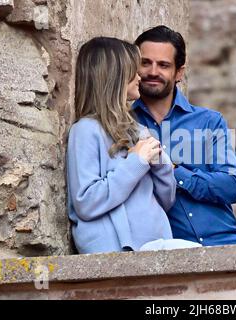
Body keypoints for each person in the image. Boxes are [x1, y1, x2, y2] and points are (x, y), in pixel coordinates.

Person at [66, 37, 201, 254]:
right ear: (116, 77)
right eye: (133, 71)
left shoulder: (138, 131)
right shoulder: (85, 130)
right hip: (116, 248)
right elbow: (86, 202)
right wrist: (136, 162)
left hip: (157, 242)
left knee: (204, 259)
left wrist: (159, 162)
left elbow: (166, 199)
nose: (140, 76)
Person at [133, 26, 236, 246]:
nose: (153, 72)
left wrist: (173, 171)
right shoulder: (124, 124)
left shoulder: (209, 122)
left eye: (164, 65)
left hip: (226, 242)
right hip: (168, 252)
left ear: (179, 72)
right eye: (145, 62)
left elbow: (232, 185)